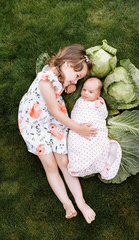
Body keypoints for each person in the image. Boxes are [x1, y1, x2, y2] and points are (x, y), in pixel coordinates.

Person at [18, 44, 97, 224]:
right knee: (51, 165)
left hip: (52, 120)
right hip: (35, 119)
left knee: (64, 161)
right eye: (77, 77)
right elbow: (55, 112)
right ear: (68, 65)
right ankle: (67, 203)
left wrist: (69, 83)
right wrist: (78, 128)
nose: (76, 82)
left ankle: (81, 202)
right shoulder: (45, 80)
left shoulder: (62, 71)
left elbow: (63, 83)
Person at [68, 77, 122, 180]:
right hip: (77, 132)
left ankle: (97, 164)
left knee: (95, 144)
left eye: (90, 92)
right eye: (84, 90)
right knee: (76, 146)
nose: (85, 93)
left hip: (93, 130)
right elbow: (75, 114)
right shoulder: (80, 101)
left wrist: (100, 106)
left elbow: (104, 115)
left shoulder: (98, 103)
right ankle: (80, 165)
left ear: (98, 94)